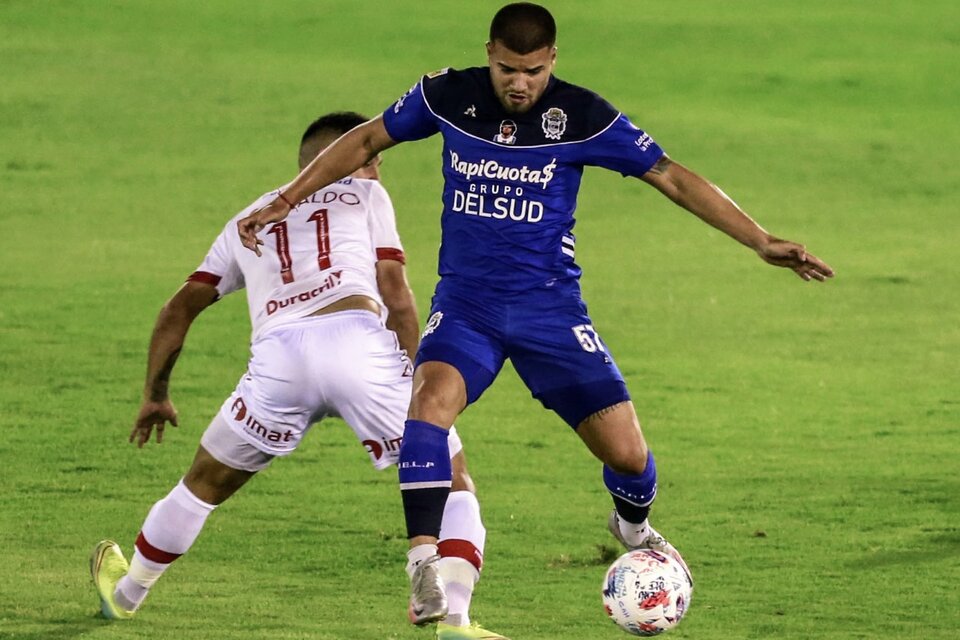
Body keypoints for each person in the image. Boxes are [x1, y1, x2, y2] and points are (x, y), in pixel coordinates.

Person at [237, 2, 835, 626]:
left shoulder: (582, 115)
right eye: (504, 69)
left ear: (552, 59)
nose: (517, 83)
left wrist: (761, 240)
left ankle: (632, 528)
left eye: (531, 71)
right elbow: (364, 139)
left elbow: (671, 176)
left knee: (629, 458)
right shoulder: (448, 96)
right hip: (467, 306)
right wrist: (285, 199)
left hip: (550, 311)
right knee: (428, 404)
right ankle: (423, 564)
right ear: (488, 52)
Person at [90, 112, 508, 640]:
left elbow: (180, 308)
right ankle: (455, 620)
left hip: (280, 360)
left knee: (203, 484)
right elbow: (395, 291)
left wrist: (156, 394)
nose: (376, 171)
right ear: (346, 157)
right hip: (359, 342)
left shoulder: (246, 220)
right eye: (371, 159)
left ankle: (126, 595)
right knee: (451, 478)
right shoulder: (365, 195)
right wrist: (419, 378)